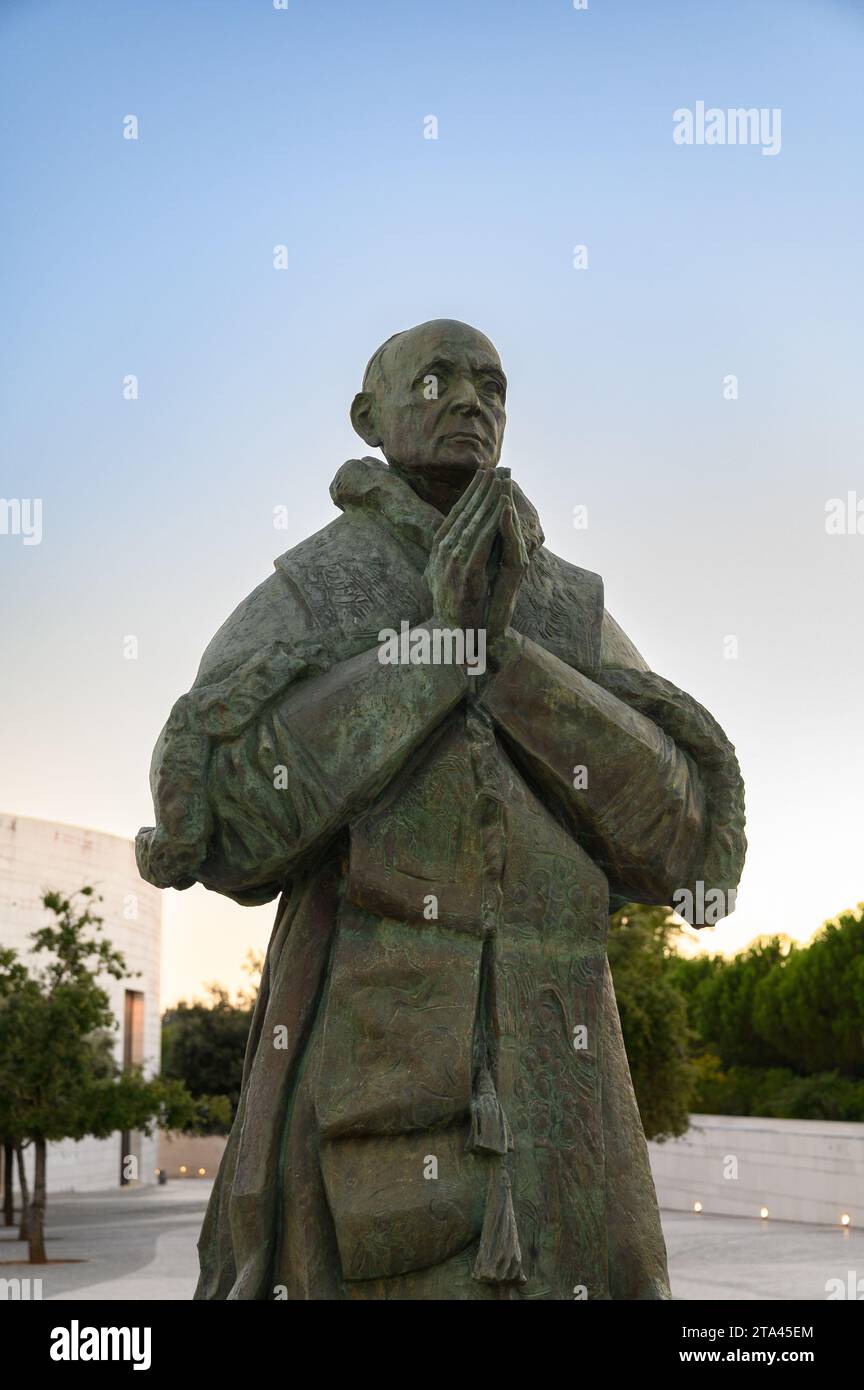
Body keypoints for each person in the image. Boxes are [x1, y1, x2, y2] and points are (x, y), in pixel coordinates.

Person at [137, 319, 745, 1300]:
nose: (470, 402)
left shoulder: (563, 605)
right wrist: (431, 656)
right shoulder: (312, 591)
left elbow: (683, 842)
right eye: (435, 380)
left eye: (491, 387)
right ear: (368, 416)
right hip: (350, 1095)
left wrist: (500, 653)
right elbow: (224, 819)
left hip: (565, 1110)